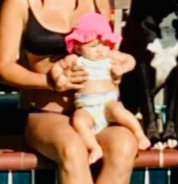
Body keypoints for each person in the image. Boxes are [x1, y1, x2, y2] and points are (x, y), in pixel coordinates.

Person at [0, 0, 138, 184]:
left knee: (124, 145)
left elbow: (106, 49)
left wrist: (117, 67)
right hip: (49, 113)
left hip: (99, 110)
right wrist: (49, 82)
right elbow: (3, 67)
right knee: (73, 150)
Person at [62, 12, 150, 163]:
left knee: (118, 110)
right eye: (93, 46)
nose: (100, 50)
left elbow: (131, 60)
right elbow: (58, 67)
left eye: (105, 44)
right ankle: (94, 147)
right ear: (78, 47)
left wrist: (122, 68)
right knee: (78, 120)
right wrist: (60, 77)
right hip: (86, 108)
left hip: (108, 103)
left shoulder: (110, 56)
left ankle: (139, 134)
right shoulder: (76, 60)